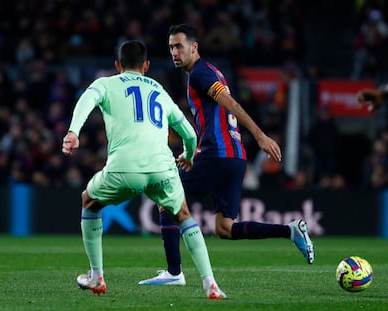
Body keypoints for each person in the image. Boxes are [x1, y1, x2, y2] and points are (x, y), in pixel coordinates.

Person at [138, 24, 314, 286]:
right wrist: (193, 153)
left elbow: (231, 104)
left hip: (218, 154)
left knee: (168, 201)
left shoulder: (200, 73)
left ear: (194, 47)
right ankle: (290, 230)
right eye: (171, 47)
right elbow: (214, 119)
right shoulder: (210, 71)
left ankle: (174, 272)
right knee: (225, 228)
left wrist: (260, 135)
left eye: (179, 46)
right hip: (233, 157)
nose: (175, 52)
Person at [62, 40, 226, 299]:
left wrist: (73, 132)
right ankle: (211, 283)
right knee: (183, 214)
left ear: (117, 66)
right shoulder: (159, 90)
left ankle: (96, 276)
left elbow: (87, 99)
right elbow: (189, 132)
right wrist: (187, 155)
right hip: (162, 169)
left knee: (89, 201)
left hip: (124, 169)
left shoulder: (106, 83)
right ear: (147, 66)